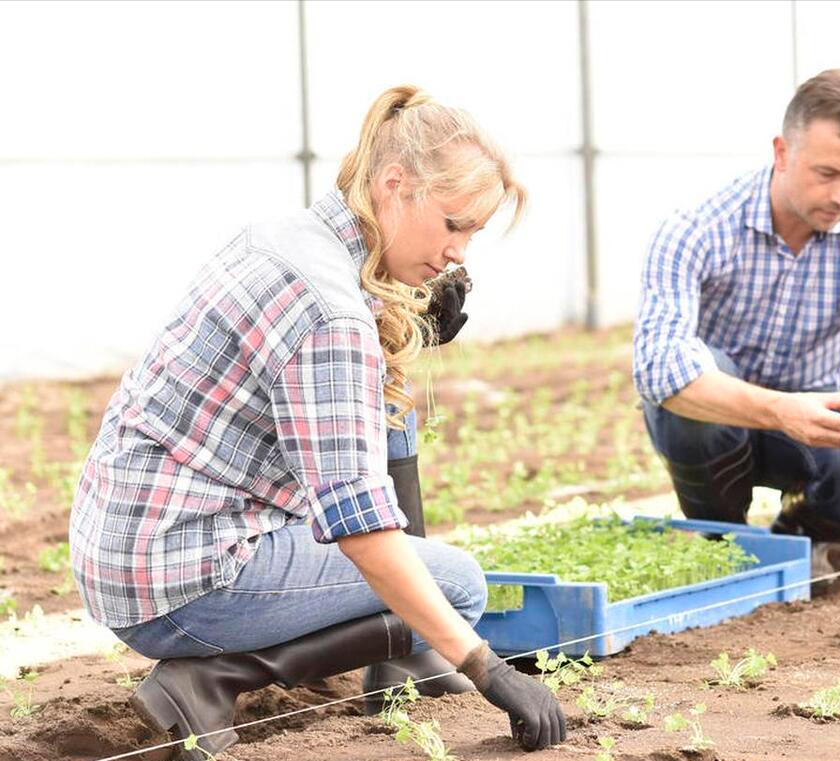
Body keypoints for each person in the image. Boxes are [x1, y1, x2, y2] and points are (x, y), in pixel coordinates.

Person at [69, 85, 566, 759]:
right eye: (454, 224)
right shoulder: (332, 315)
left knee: (401, 504)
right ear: (394, 184)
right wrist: (485, 665)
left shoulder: (286, 236)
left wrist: (401, 324)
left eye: (472, 234)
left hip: (126, 545)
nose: (460, 253)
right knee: (456, 585)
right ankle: (212, 676)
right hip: (183, 579)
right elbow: (361, 527)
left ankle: (403, 655)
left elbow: (358, 427)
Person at [631, 69, 840, 582]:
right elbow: (660, 369)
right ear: (782, 153)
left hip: (820, 418)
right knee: (697, 379)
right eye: (828, 173)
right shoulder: (696, 227)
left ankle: (799, 540)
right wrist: (778, 409)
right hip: (720, 421)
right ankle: (721, 538)